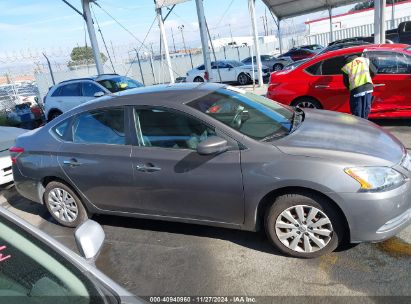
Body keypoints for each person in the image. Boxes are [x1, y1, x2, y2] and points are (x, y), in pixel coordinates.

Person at [341, 54, 377, 119]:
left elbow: (346, 82)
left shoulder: (346, 67)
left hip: (356, 90)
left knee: (357, 112)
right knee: (366, 109)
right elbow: (374, 72)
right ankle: (365, 125)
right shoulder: (365, 60)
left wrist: (350, 88)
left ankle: (359, 126)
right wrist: (368, 78)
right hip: (368, 87)